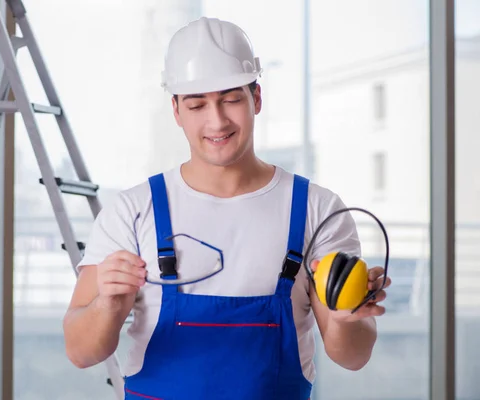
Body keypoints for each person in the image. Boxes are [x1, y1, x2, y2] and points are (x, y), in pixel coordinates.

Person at [63, 16, 391, 399]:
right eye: (197, 104)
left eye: (231, 99)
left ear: (256, 98)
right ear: (176, 111)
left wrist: (344, 317)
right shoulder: (133, 211)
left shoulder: (318, 211)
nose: (216, 121)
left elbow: (352, 357)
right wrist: (108, 304)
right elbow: (80, 351)